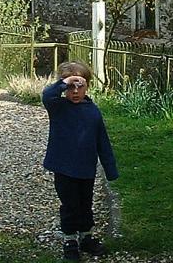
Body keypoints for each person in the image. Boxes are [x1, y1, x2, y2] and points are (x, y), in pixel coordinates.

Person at [42, 61, 118, 261]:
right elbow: (47, 95)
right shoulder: (58, 107)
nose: (75, 91)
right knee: (70, 204)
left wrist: (110, 169)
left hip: (86, 168)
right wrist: (64, 82)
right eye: (70, 87)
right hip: (64, 167)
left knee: (85, 203)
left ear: (88, 86)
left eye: (80, 86)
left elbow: (102, 140)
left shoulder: (92, 111)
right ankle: (70, 240)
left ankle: (86, 237)